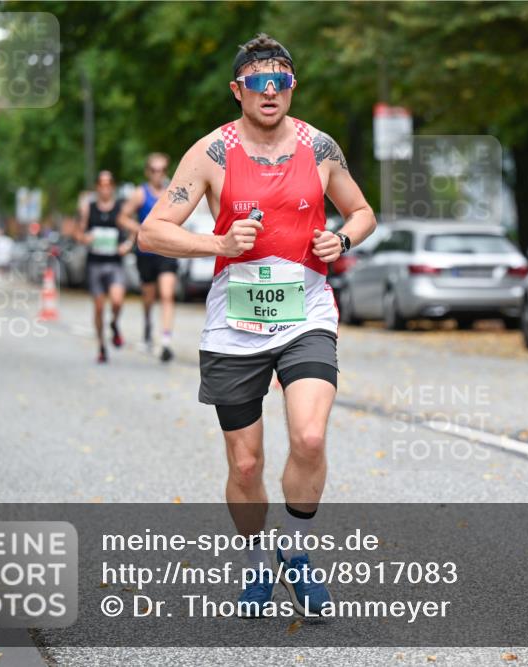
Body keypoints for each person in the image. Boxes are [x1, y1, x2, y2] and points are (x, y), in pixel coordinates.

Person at [137, 33, 376, 617]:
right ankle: (255, 566)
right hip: (234, 324)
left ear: (292, 87)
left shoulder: (320, 148)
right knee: (246, 465)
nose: (271, 91)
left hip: (306, 314)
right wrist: (217, 243)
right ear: (237, 89)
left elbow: (362, 212)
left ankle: (295, 552)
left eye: (281, 81)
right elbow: (151, 232)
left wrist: (342, 239)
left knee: (310, 437)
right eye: (259, 82)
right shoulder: (211, 153)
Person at [120, 152, 179, 362]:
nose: (158, 174)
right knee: (149, 297)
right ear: (148, 172)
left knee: (167, 294)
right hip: (146, 252)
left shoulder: (172, 193)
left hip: (167, 250)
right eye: (154, 170)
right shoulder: (140, 193)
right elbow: (122, 217)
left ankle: (166, 341)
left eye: (162, 170)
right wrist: (140, 229)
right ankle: (147, 325)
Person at [78, 171, 134, 363]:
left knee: (117, 301)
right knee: (99, 307)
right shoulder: (89, 208)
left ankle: (114, 323)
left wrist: (127, 245)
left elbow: (134, 229)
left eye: (108, 183)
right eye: (101, 184)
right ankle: (101, 346)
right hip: (95, 263)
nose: (105, 187)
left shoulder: (120, 208)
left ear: (113, 186)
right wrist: (85, 238)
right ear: (97, 187)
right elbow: (79, 233)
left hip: (114, 262)